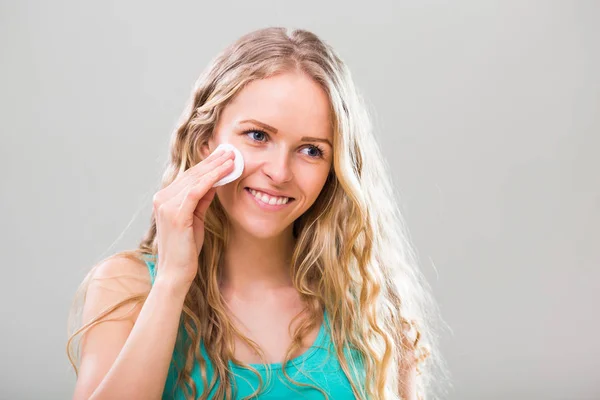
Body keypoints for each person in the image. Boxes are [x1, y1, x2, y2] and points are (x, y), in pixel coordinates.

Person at [67, 27, 441, 400]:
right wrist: (172, 281)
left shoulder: (370, 307)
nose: (279, 172)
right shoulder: (126, 288)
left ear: (333, 169)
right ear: (204, 142)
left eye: (311, 150)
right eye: (258, 136)